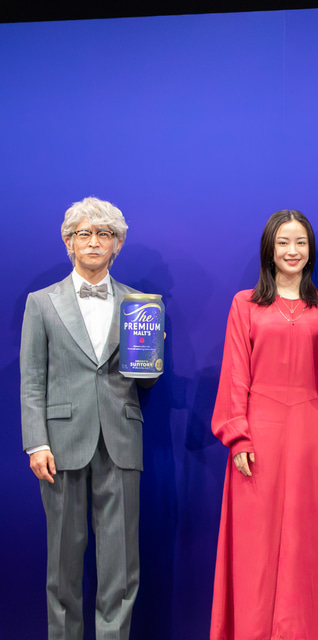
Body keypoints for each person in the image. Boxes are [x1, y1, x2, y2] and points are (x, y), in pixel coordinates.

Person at [210, 209, 318, 640]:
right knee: (255, 549)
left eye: (300, 242)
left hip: (312, 436)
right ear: (269, 250)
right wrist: (238, 437)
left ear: (310, 250)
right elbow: (235, 374)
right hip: (258, 438)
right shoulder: (245, 304)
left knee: (308, 545)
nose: (292, 250)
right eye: (283, 242)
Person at [21, 197, 155, 640]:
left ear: (118, 245)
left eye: (104, 234)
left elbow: (147, 380)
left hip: (121, 440)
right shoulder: (41, 303)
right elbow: (32, 379)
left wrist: (151, 355)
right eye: (85, 233)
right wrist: (36, 442)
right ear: (69, 243)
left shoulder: (140, 305)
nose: (94, 241)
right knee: (62, 566)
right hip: (59, 446)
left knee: (121, 565)